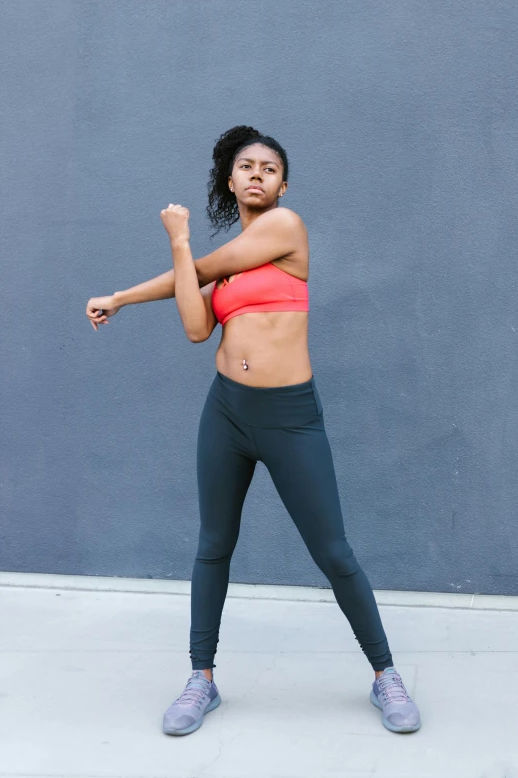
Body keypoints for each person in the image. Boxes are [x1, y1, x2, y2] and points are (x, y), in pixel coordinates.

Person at [86, 125, 421, 737]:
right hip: (227, 413)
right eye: (247, 166)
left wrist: (145, 278)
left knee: (334, 552)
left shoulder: (285, 229)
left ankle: (385, 674)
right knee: (214, 543)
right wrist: (149, 273)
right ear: (230, 180)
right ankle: (201, 679)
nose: (259, 173)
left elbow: (204, 267)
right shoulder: (223, 268)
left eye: (271, 167)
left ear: (283, 184)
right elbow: (194, 322)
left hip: (290, 417)